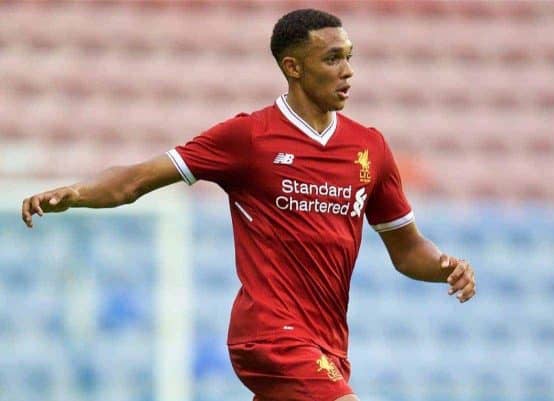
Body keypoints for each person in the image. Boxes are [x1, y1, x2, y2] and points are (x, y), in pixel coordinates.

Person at [21, 8, 476, 401]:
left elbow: (406, 247)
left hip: (329, 345)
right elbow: (138, 179)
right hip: (269, 333)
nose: (348, 71)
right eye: (332, 58)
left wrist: (443, 267)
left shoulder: (369, 147)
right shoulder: (249, 137)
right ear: (293, 67)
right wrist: (76, 193)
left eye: (349, 58)